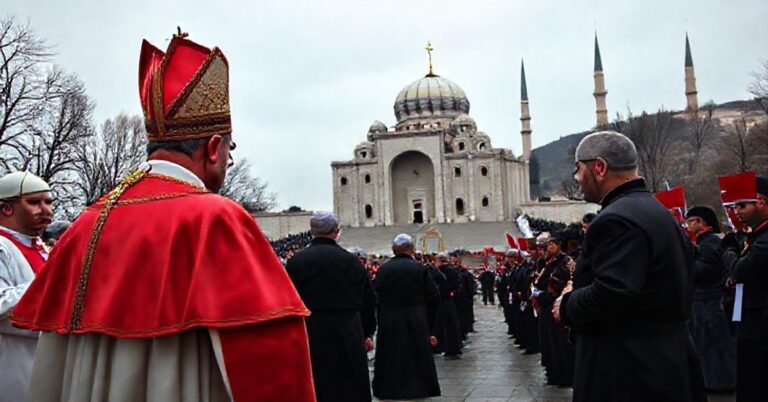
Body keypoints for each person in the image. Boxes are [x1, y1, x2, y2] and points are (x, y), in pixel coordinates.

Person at [11, 32, 315, 402]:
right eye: (229, 149)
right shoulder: (214, 218)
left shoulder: (87, 222)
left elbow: (52, 360)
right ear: (215, 149)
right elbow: (267, 350)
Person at [554, 131, 706, 402]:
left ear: (598, 167)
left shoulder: (616, 220)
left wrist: (567, 303)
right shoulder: (657, 212)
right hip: (665, 360)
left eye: (578, 170)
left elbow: (613, 294)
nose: (576, 179)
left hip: (628, 371)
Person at [286, 212, 376, 402]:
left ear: (312, 231)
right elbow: (368, 300)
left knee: (316, 382)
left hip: (310, 328)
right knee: (348, 384)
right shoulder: (352, 262)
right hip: (347, 328)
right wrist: (368, 332)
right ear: (336, 231)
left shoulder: (296, 262)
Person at [0, 171, 53, 402]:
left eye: (49, 202)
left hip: (43, 361)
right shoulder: (2, 246)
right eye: (34, 202)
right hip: (11, 364)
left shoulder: (40, 247)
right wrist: (54, 283)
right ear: (7, 208)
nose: (46, 210)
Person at [372, 234, 440, 400]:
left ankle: (389, 388)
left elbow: (375, 295)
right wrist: (430, 324)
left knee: (391, 353)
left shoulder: (384, 269)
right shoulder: (420, 268)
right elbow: (433, 296)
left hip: (390, 317)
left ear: (394, 250)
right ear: (411, 249)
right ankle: (418, 387)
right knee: (416, 353)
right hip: (415, 316)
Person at [722, 172, 768, 402]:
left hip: (759, 323)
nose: (736, 211)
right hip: (750, 319)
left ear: (761, 201)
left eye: (742, 205)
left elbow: (743, 269)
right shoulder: (755, 236)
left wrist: (729, 256)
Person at [684, 206, 736, 392]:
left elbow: (701, 271)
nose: (687, 226)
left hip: (708, 300)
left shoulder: (709, 244)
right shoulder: (704, 243)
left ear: (701, 223)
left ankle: (720, 382)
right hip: (704, 300)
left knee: (713, 343)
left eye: (690, 221)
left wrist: (687, 259)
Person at [435, 252, 462, 359]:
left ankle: (449, 348)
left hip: (443, 299)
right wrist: (453, 291)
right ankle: (454, 347)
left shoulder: (441, 271)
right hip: (450, 299)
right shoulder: (453, 270)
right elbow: (458, 283)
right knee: (452, 325)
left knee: (445, 325)